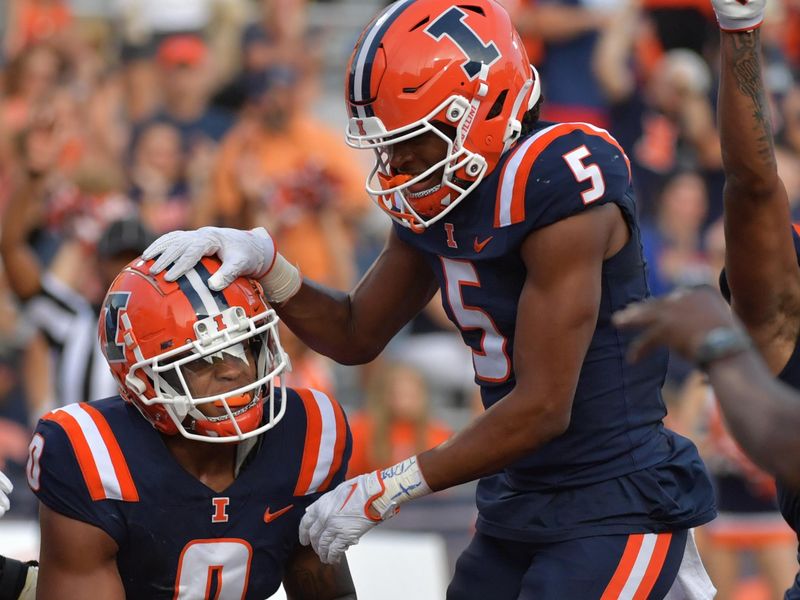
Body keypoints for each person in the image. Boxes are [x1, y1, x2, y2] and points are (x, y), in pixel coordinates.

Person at [143, 0, 717, 597]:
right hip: (517, 495)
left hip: (613, 498)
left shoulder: (557, 177)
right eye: (386, 144)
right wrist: (270, 265)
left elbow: (546, 406)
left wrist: (389, 487)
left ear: (484, 107)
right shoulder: (442, 191)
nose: (394, 163)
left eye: (412, 139)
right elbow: (355, 332)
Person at [25, 256, 356, 599]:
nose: (235, 370)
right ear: (143, 380)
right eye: (203, 357)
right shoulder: (89, 454)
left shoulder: (304, 431)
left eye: (244, 343)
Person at [619, 0, 800, 596]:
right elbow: (752, 187)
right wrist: (741, 31)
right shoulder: (782, 305)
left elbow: (784, 440)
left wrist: (717, 344)